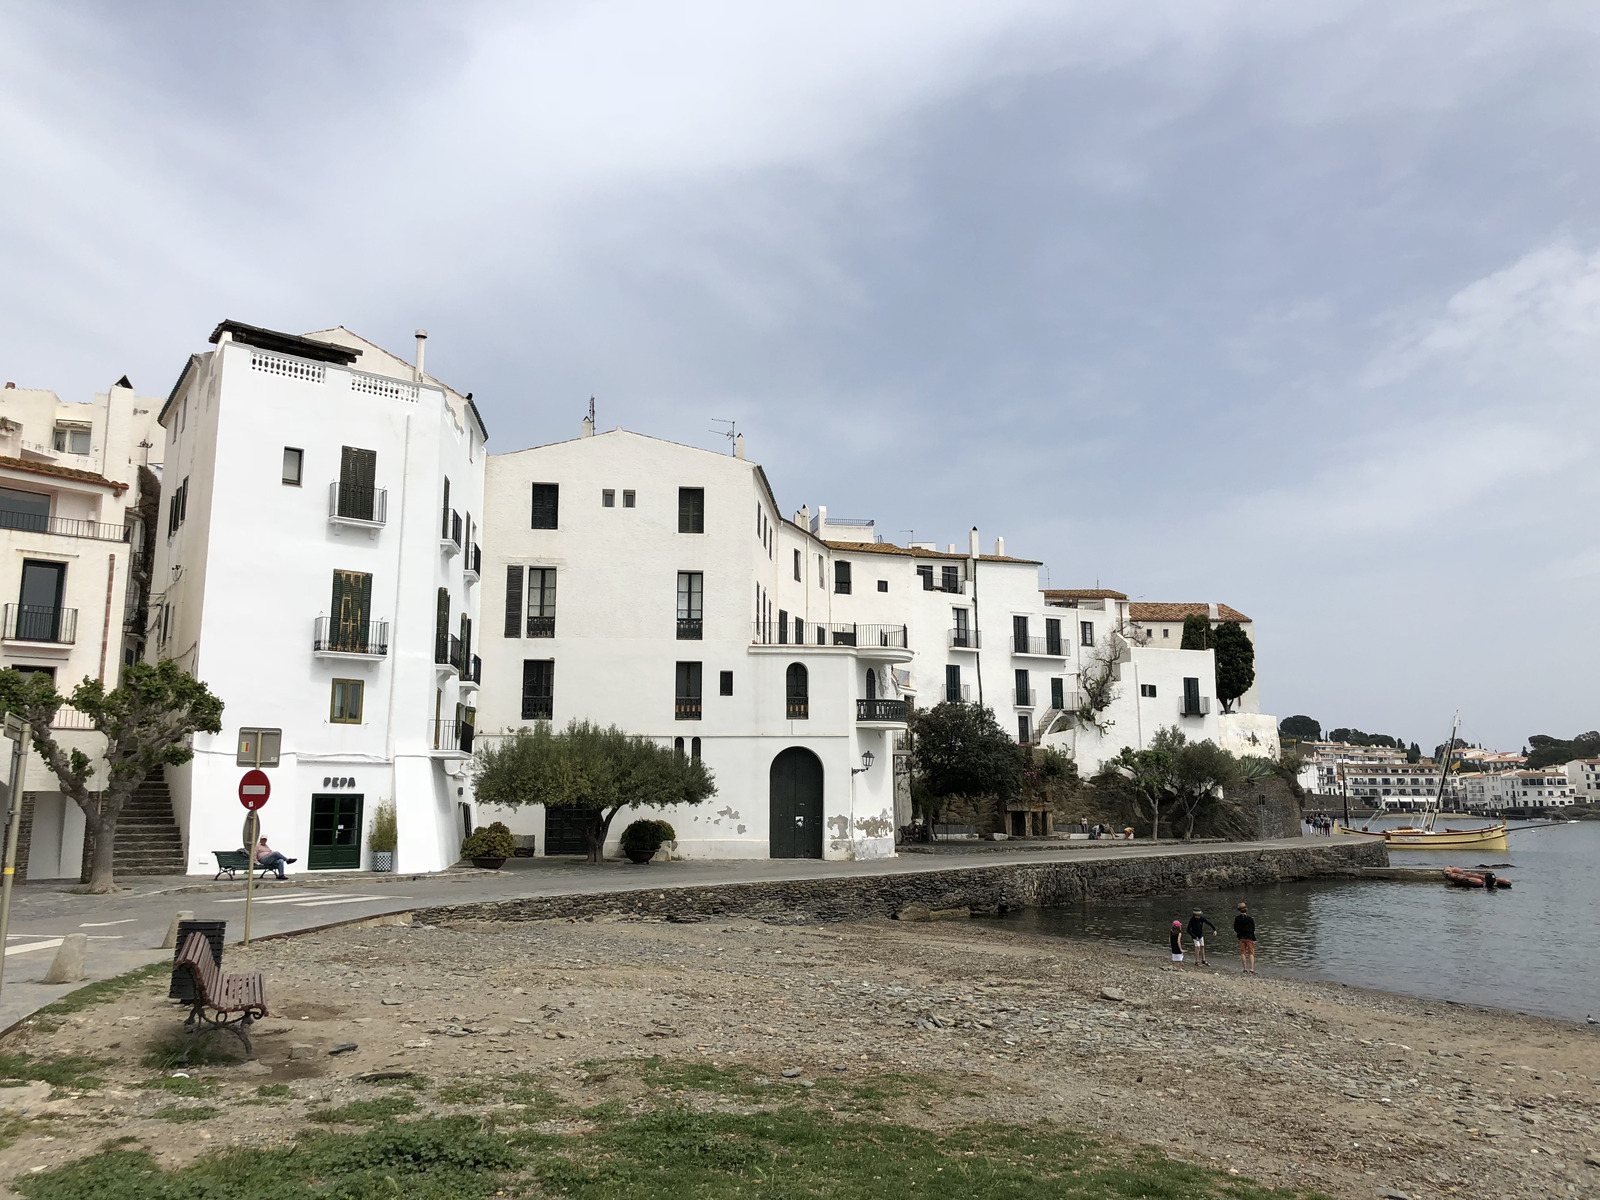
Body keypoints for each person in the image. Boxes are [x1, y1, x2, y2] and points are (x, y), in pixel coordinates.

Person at [1234, 902, 1257, 974]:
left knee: (1243, 952)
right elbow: (1253, 929)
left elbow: (1235, 928)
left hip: (1241, 937)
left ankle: (1245, 969)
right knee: (1251, 953)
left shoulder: (1237, 919)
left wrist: (1240, 934)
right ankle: (1252, 969)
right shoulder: (1250, 919)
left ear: (1239, 910)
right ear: (1246, 910)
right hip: (1249, 937)